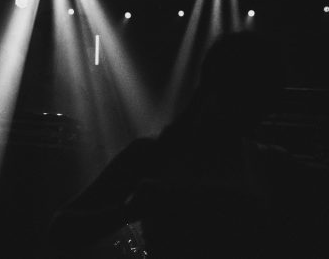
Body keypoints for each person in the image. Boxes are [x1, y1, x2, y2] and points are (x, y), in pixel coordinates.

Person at [48, 31, 328, 258]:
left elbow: (62, 231)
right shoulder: (155, 155)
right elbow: (61, 231)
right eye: (254, 101)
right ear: (218, 92)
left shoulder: (156, 155)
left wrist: (131, 211)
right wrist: (130, 211)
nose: (262, 115)